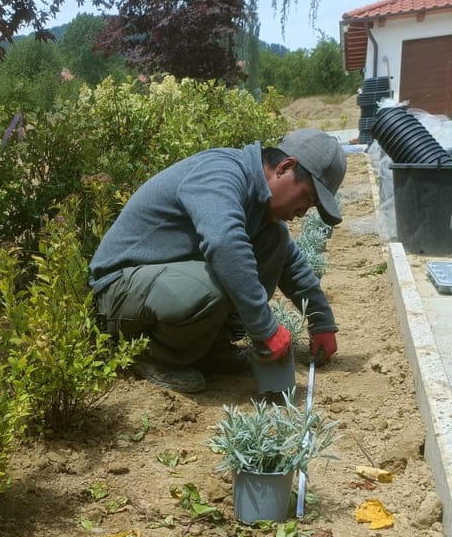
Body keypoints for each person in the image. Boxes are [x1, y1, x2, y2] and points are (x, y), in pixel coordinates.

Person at [88, 128, 346, 393]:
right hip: (117, 290)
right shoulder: (221, 173)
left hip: (158, 286)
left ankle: (211, 349)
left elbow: (291, 264)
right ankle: (149, 353)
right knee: (219, 280)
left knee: (273, 241)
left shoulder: (259, 204)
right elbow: (224, 243)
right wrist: (265, 329)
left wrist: (321, 321)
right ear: (285, 167)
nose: (303, 212)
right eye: (306, 197)